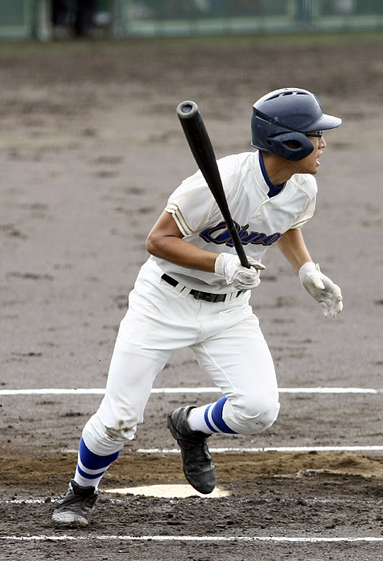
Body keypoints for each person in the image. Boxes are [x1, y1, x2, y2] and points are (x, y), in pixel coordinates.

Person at [51, 88, 344, 526]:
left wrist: (306, 270)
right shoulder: (217, 183)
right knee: (119, 418)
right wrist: (222, 262)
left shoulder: (303, 186)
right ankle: (80, 492)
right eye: (317, 135)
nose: (324, 143)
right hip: (163, 302)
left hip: (229, 312)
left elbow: (284, 224)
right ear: (291, 143)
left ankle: (190, 426)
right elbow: (157, 241)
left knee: (259, 408)